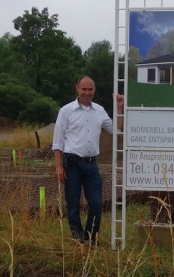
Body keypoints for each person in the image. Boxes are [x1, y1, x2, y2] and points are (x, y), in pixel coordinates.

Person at [53, 76, 123, 244]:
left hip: (92, 165)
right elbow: (58, 140)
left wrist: (119, 109)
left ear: (94, 90)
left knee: (97, 203)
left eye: (90, 89)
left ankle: (91, 238)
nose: (87, 93)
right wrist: (58, 166)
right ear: (77, 88)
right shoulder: (66, 111)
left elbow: (115, 129)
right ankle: (78, 240)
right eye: (84, 89)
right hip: (72, 164)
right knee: (73, 205)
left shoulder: (99, 110)